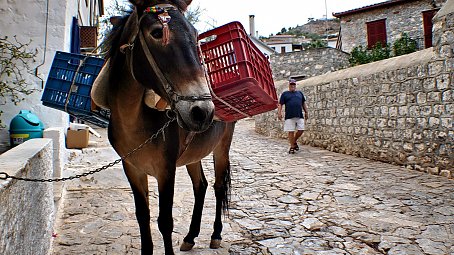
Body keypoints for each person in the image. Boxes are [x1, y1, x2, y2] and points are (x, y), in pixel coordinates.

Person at [277, 79, 308, 154]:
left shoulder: (300, 93)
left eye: (294, 84)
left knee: (301, 130)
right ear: (289, 85)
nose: (292, 86)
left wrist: (306, 112)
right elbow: (280, 104)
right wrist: (279, 113)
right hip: (289, 116)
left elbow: (303, 103)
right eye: (291, 85)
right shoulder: (285, 94)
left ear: (295, 85)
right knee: (291, 131)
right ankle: (292, 146)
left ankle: (293, 141)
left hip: (299, 115)